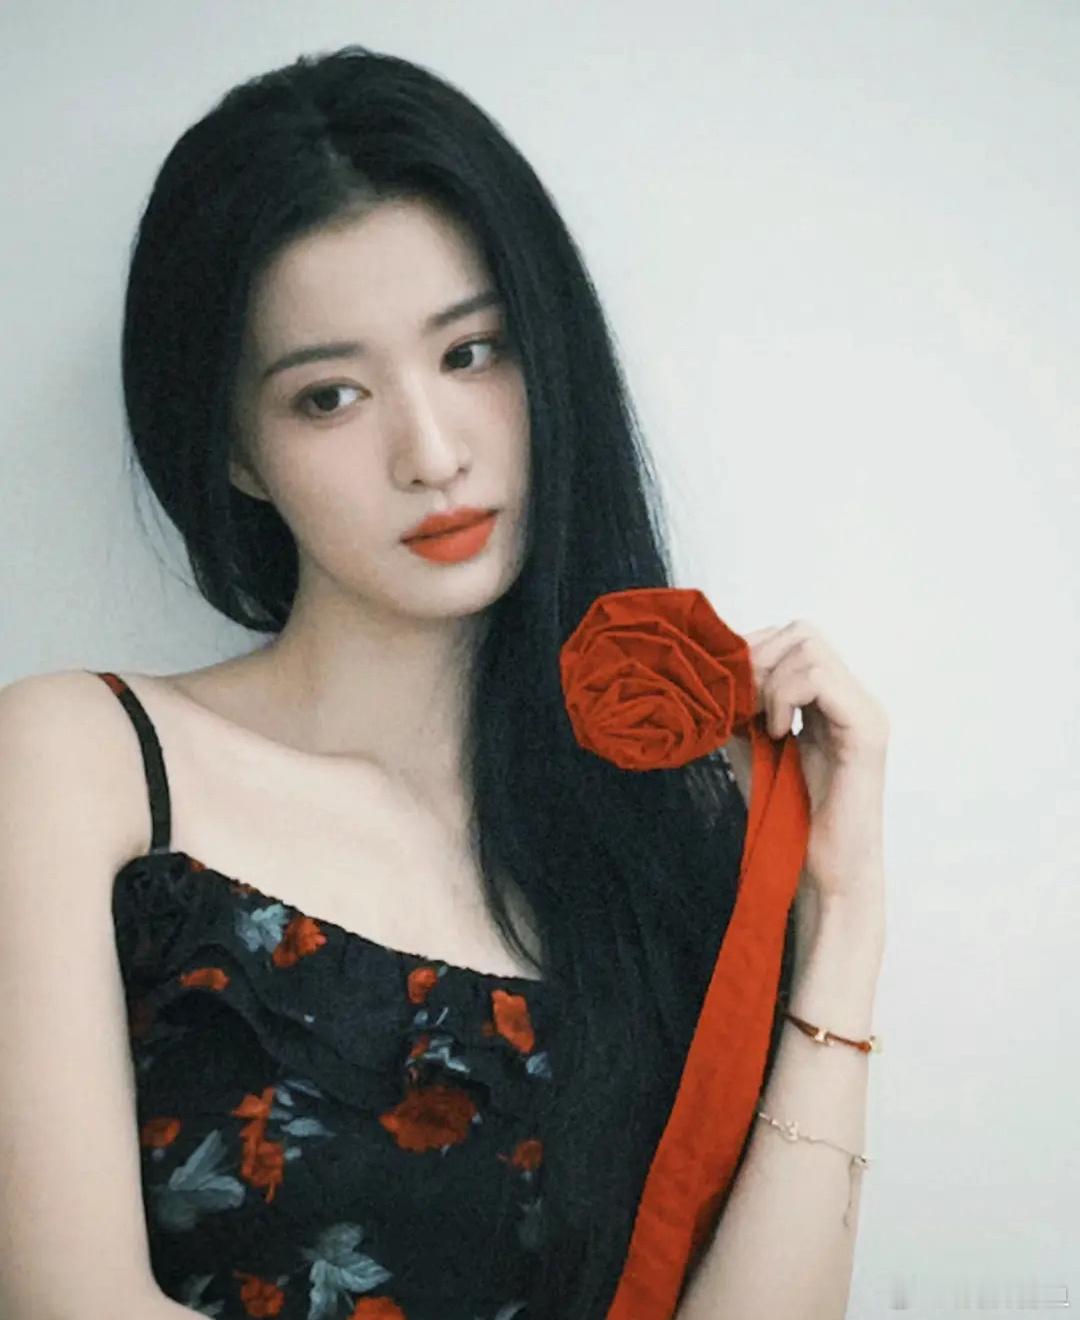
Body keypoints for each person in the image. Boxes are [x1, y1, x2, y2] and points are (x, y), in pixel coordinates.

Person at [0, 44, 781, 1320]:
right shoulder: (78, 762)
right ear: (236, 449)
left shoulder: (664, 834)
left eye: (472, 354)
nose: (430, 453)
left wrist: (843, 908)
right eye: (331, 396)